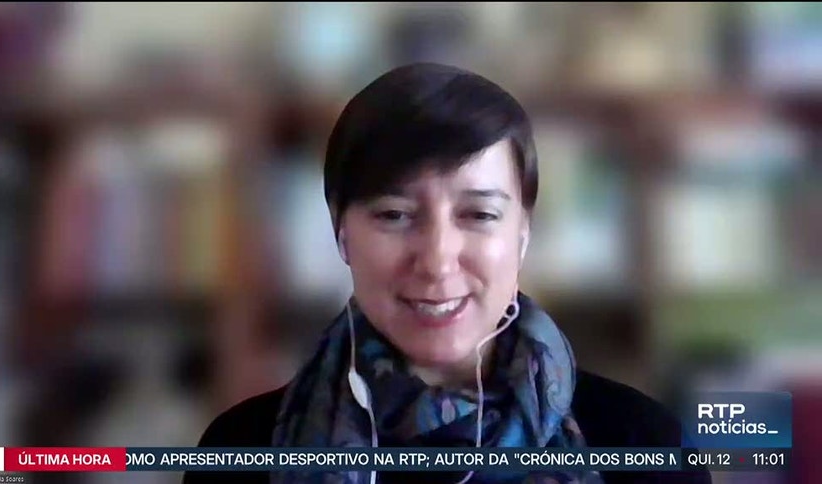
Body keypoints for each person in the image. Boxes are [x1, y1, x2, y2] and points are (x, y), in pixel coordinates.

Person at [184, 63, 711, 484]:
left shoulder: (644, 444)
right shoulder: (240, 451)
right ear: (341, 233)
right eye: (395, 215)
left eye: (478, 214)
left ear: (523, 232)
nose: (437, 260)